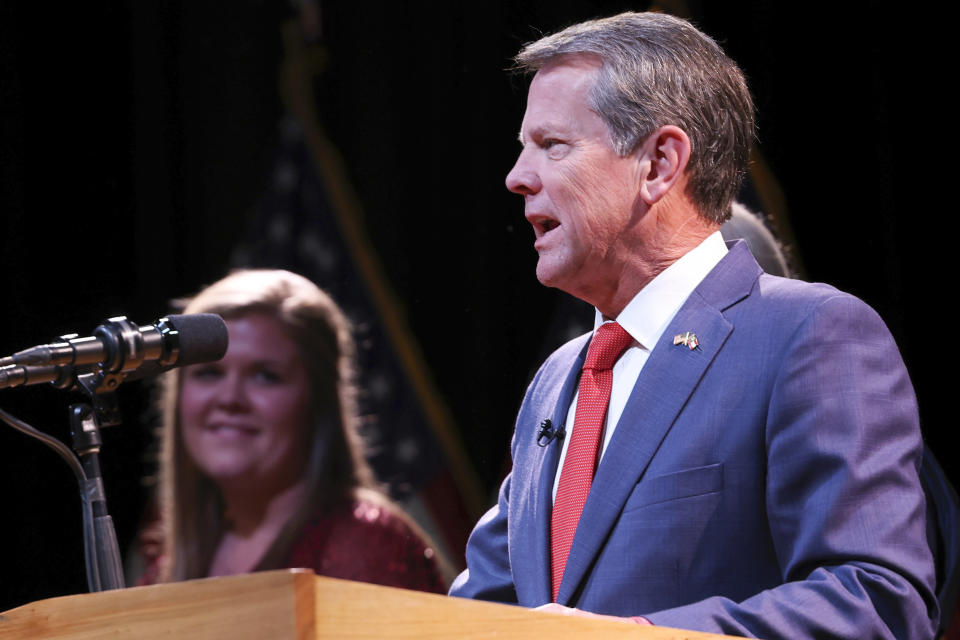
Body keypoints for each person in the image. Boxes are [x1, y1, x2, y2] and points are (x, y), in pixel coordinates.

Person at [449, 11, 939, 638]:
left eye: (553, 145)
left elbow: (878, 603)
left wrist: (633, 636)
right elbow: (477, 614)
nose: (518, 177)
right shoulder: (556, 379)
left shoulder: (808, 336)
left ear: (659, 163)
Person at [138, 269, 445, 592]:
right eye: (209, 374)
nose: (229, 398)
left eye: (265, 376)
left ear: (318, 402)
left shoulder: (368, 548)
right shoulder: (166, 568)